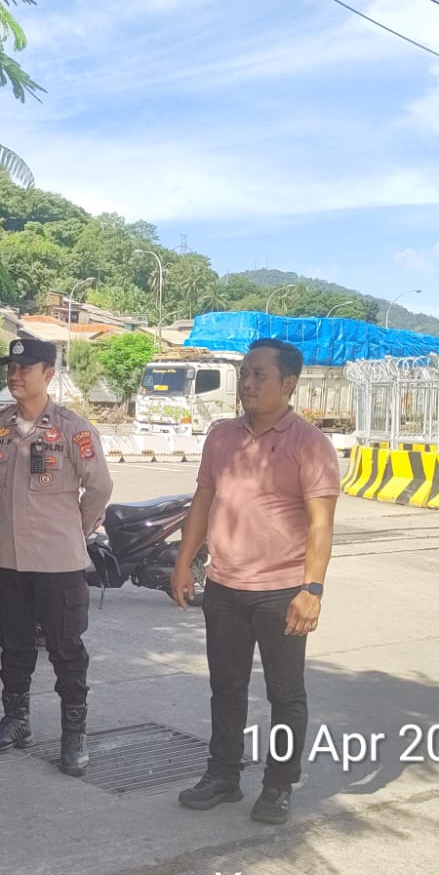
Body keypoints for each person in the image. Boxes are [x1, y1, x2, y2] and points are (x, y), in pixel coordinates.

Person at [170, 337, 339, 826]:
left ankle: (279, 784)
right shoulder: (221, 436)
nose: (246, 382)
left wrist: (312, 590)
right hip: (224, 586)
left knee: (285, 695)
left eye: (258, 374)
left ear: (289, 384)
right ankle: (223, 775)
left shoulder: (310, 444)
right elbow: (203, 501)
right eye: (244, 372)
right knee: (226, 687)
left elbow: (321, 525)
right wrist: (184, 563)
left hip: (282, 590)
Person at [0, 336, 113, 776]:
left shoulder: (73, 429)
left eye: (26, 369)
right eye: (11, 369)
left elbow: (100, 488)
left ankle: (74, 734)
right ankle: (16, 720)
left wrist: (74, 531)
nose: (15, 375)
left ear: (48, 375)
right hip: (8, 559)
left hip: (58, 563)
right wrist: (4, 525)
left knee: (66, 649)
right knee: (13, 644)